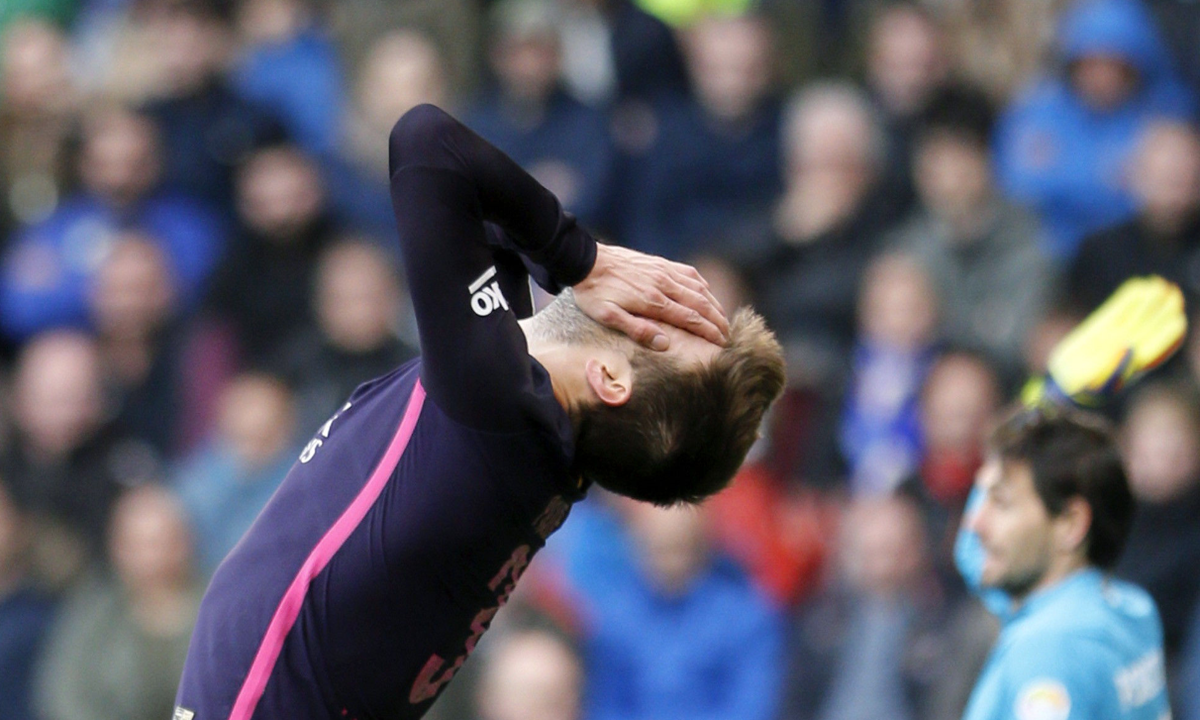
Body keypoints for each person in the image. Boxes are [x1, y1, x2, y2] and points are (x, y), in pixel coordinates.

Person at [173, 104, 784, 720]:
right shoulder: (533, 432)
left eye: (667, 321)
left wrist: (583, 259)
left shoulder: (497, 408)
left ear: (610, 379)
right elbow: (493, 223)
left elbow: (425, 143)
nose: (651, 292)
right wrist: (566, 262)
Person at [961, 406, 1170, 720]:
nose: (975, 522)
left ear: (1070, 524)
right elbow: (970, 560)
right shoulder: (1131, 609)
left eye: (1000, 502)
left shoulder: (1048, 652)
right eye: (982, 497)